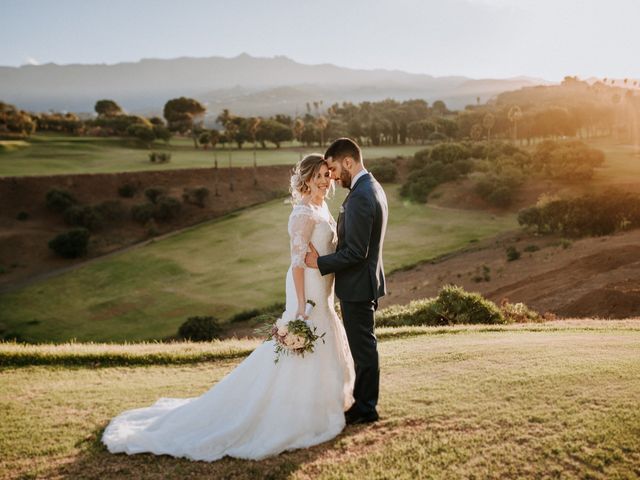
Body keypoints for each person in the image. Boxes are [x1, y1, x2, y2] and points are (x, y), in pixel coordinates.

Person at [101, 154, 355, 462]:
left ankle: (320, 403)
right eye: (319, 176)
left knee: (320, 340)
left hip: (323, 289)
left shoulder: (322, 207)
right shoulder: (302, 213)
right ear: (306, 179)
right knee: (297, 347)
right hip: (307, 291)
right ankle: (291, 412)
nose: (326, 180)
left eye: (328, 175)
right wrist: (300, 305)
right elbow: (297, 262)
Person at [305, 138, 388, 425]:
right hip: (362, 282)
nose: (333, 176)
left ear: (349, 162)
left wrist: (320, 263)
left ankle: (366, 408)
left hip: (358, 286)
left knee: (363, 350)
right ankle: (362, 403)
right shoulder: (370, 187)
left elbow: (356, 251)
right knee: (363, 348)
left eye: (334, 168)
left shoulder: (362, 195)